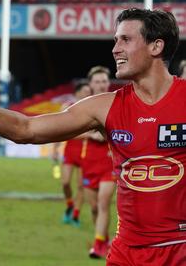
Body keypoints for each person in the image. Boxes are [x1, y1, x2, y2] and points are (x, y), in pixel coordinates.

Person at [0, 8, 186, 265]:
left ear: (156, 46)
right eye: (115, 40)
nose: (115, 49)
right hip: (127, 253)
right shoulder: (105, 107)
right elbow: (26, 130)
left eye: (125, 39)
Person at [81, 66, 116, 258]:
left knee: (104, 202)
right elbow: (71, 132)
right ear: (90, 85)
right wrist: (90, 135)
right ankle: (103, 239)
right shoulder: (84, 106)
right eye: (97, 81)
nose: (101, 84)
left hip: (109, 162)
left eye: (104, 81)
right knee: (94, 207)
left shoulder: (117, 102)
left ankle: (97, 246)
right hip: (89, 162)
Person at [52, 80, 91, 226]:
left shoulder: (92, 108)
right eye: (85, 91)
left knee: (81, 186)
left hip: (85, 152)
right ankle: (69, 204)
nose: (88, 93)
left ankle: (75, 215)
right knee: (65, 182)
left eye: (89, 91)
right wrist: (55, 149)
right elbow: (59, 130)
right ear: (77, 93)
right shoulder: (67, 107)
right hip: (70, 150)